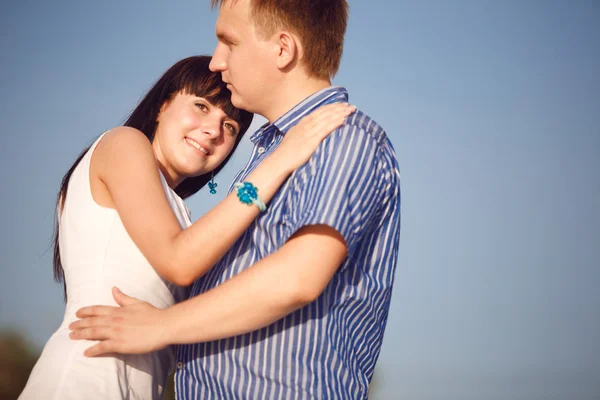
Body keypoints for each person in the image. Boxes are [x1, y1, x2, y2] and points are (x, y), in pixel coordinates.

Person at [70, 0, 401, 398]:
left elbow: (298, 277)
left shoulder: (342, 139)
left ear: (282, 49)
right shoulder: (273, 154)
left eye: (229, 41)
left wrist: (162, 325)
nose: (216, 61)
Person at [19, 54, 354, 400]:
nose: (212, 131)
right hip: (85, 378)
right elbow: (179, 261)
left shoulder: (181, 216)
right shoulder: (123, 143)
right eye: (201, 106)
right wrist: (282, 159)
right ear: (162, 105)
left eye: (230, 127)